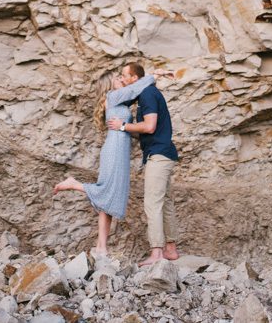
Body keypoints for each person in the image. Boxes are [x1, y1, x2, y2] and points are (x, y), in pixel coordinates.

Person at [52, 69, 159, 255]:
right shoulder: (113, 95)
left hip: (119, 150)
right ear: (110, 84)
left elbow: (135, 92)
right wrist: (154, 75)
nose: (122, 80)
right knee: (107, 191)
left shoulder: (119, 100)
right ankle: (74, 184)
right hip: (114, 150)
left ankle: (101, 247)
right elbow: (135, 88)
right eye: (118, 78)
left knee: (109, 200)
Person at [107, 62, 180, 266]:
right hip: (164, 153)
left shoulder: (147, 94)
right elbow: (146, 130)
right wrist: (127, 129)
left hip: (158, 155)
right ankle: (171, 250)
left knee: (153, 203)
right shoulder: (147, 94)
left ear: (134, 79)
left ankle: (156, 253)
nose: (123, 79)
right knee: (166, 202)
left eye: (124, 76)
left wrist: (123, 126)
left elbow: (149, 127)